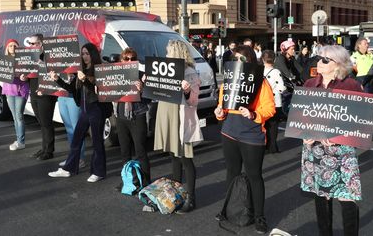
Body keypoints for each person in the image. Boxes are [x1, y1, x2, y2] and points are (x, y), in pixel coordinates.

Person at [301, 45, 363, 236]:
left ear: (338, 64)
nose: (319, 62)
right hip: (315, 150)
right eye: (319, 58)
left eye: (325, 60)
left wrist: (339, 136)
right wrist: (304, 134)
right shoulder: (310, 84)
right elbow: (302, 115)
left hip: (342, 152)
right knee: (321, 196)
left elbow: (361, 119)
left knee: (347, 198)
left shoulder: (351, 86)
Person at [214, 45, 276, 234]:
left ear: (249, 61)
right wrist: (219, 113)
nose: (237, 62)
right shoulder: (228, 80)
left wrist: (253, 114)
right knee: (231, 173)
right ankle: (228, 210)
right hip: (229, 132)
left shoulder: (261, 82)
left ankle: (259, 217)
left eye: (241, 58)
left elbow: (270, 109)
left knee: (254, 176)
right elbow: (222, 106)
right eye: (235, 58)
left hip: (252, 135)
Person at [154, 40, 203, 213]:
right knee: (174, 156)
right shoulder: (164, 69)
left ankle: (191, 199)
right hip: (167, 115)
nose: (166, 55)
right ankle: (177, 195)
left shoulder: (190, 72)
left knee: (185, 159)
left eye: (168, 52)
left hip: (180, 118)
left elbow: (194, 101)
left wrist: (188, 90)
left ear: (175, 53)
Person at [48, 43, 107, 183]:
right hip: (85, 111)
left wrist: (84, 80)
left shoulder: (99, 70)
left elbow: (98, 91)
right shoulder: (79, 70)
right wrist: (57, 80)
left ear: (93, 54)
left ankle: (98, 172)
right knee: (76, 139)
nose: (84, 56)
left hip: (97, 110)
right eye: (83, 53)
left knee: (97, 142)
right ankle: (69, 169)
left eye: (87, 53)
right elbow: (72, 89)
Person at [114, 47, 151, 189]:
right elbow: (108, 92)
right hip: (121, 116)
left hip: (137, 116)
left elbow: (149, 99)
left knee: (141, 151)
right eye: (126, 58)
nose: (129, 61)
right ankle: (128, 181)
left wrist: (142, 89)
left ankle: (147, 183)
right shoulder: (115, 75)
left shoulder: (142, 75)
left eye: (132, 59)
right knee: (125, 152)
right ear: (121, 60)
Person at [20, 34, 57, 160]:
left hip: (46, 94)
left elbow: (54, 75)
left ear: (41, 44)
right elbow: (27, 75)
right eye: (29, 43)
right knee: (41, 123)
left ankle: (49, 150)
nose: (30, 46)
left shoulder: (48, 56)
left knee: (46, 123)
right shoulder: (29, 57)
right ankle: (44, 148)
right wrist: (24, 77)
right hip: (34, 93)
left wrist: (42, 64)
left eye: (33, 43)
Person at [1, 39, 29, 151]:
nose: (13, 47)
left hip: (20, 90)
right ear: (7, 48)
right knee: (14, 117)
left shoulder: (23, 60)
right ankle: (18, 139)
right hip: (9, 90)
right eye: (10, 46)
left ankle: (21, 142)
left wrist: (25, 76)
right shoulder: (3, 60)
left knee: (19, 116)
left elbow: (29, 73)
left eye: (15, 46)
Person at [57, 74, 86, 169]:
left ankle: (80, 159)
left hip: (73, 97)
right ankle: (72, 157)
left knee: (77, 129)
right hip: (61, 95)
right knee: (69, 130)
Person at [261, 50, 286, 153]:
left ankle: (263, 144)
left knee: (263, 124)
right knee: (273, 125)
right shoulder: (276, 72)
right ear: (274, 60)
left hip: (262, 102)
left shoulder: (259, 71)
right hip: (274, 102)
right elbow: (281, 88)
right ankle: (272, 147)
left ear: (262, 59)